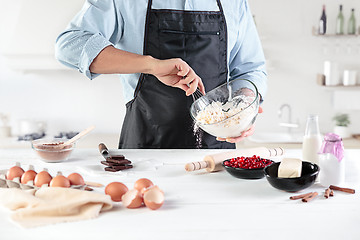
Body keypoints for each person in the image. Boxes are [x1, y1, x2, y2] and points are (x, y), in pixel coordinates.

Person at [55, 0, 267, 149]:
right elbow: (69, 45)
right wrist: (150, 65)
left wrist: (244, 107)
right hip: (144, 150)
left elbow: (251, 69)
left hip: (215, 155)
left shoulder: (235, 2)